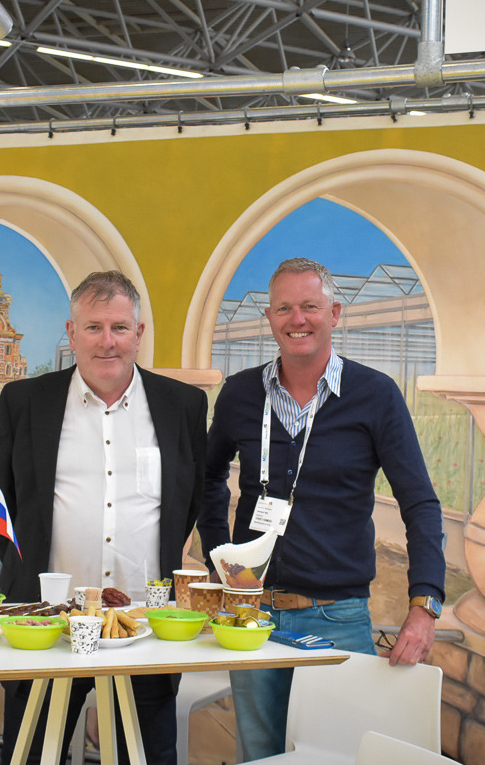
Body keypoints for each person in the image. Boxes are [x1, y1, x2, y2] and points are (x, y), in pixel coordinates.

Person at [198, 257, 446, 762]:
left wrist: (425, 606)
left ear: (334, 313)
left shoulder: (375, 395)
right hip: (251, 616)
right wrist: (219, 562)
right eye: (284, 308)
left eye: (310, 306)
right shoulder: (240, 394)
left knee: (338, 754)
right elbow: (207, 480)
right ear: (270, 317)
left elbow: (420, 503)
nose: (298, 319)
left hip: (338, 617)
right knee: (260, 756)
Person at [0, 270, 208, 765]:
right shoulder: (25, 403)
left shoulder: (182, 405)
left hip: (143, 627)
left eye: (119, 327)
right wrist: (29, 574)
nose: (107, 341)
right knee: (29, 757)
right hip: (45, 624)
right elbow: (1, 503)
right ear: (71, 333)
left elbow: (187, 500)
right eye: (93, 327)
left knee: (146, 757)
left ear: (139, 333)